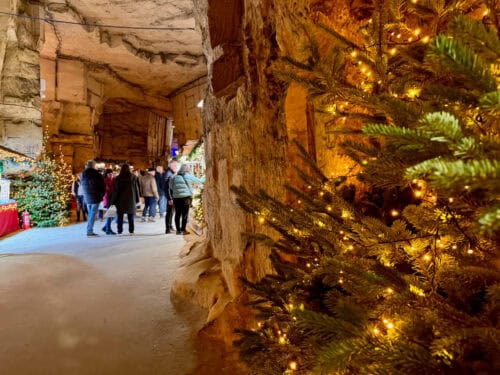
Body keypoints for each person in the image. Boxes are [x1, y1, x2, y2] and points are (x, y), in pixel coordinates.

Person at [170, 164, 204, 235]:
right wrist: (206, 175)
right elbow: (200, 181)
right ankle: (183, 230)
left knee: (177, 214)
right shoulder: (188, 176)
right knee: (184, 214)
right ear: (187, 170)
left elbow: (171, 187)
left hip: (176, 198)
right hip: (186, 198)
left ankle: (178, 231)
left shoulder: (174, 177)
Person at [111, 164, 140, 235]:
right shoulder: (133, 177)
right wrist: (137, 199)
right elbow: (136, 189)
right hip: (131, 199)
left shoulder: (118, 178)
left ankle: (119, 231)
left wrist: (113, 200)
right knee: (130, 217)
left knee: (120, 217)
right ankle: (131, 231)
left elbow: (116, 190)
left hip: (120, 200)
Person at [81, 160, 105, 237]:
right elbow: (102, 186)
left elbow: (83, 185)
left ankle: (89, 229)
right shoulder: (97, 174)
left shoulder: (83, 174)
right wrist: (101, 195)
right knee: (92, 215)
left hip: (87, 197)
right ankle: (89, 231)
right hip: (95, 197)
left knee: (91, 214)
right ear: (94, 166)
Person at [163, 161, 177, 233]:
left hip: (171, 196)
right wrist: (170, 198)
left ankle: (170, 226)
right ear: (171, 166)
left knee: (171, 212)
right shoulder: (169, 174)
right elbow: (166, 188)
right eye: (175, 166)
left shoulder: (170, 173)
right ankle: (167, 229)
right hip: (171, 197)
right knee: (169, 212)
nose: (176, 167)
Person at [102, 169, 116, 235]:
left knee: (112, 214)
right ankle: (108, 229)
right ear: (106, 174)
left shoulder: (112, 180)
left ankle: (106, 227)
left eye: (112, 174)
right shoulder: (105, 180)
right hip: (109, 199)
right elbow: (108, 190)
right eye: (109, 174)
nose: (111, 175)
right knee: (110, 215)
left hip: (112, 199)